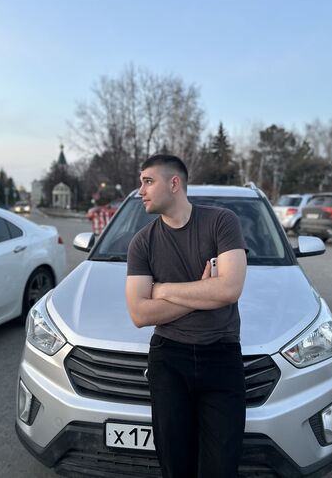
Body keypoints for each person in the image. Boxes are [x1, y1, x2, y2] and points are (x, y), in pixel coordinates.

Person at [125, 154, 247, 478]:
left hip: (221, 356)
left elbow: (230, 289)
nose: (141, 191)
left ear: (174, 183)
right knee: (175, 466)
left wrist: (163, 290)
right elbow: (139, 313)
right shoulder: (142, 243)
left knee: (221, 468)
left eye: (148, 181)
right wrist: (204, 293)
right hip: (169, 360)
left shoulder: (221, 222)